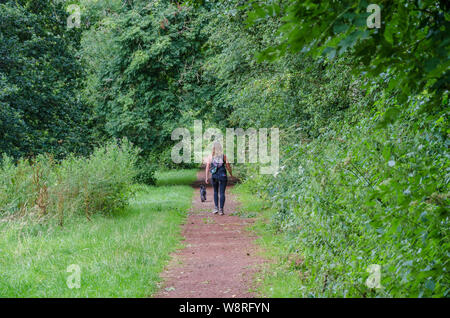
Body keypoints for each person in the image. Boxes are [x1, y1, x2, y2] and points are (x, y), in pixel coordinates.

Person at [205, 141, 232, 215]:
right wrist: (231, 175)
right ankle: (221, 210)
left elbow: (207, 167)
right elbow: (228, 166)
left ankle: (216, 208)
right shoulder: (224, 156)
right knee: (222, 192)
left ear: (213, 148)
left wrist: (207, 177)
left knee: (215, 192)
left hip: (214, 176)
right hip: (223, 176)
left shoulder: (210, 156)